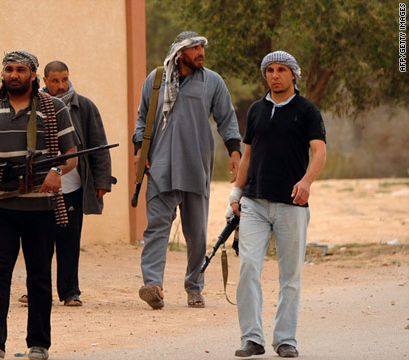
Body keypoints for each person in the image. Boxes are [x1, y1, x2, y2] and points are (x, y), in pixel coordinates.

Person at [0, 50, 79, 360]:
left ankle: (38, 344)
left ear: (33, 75)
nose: (14, 75)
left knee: (38, 276)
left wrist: (55, 171)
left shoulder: (54, 108)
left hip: (40, 209)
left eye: (21, 70)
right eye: (9, 69)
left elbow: (71, 155)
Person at [132, 31, 242, 310]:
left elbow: (226, 118)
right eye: (195, 49)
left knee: (196, 234)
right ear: (180, 53)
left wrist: (235, 152)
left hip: (195, 167)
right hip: (160, 166)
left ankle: (194, 286)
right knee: (156, 228)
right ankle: (153, 285)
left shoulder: (212, 81)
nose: (201, 53)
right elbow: (142, 118)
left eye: (202, 48)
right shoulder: (155, 80)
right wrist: (138, 151)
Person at [227, 51, 326, 358]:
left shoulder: (307, 111)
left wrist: (306, 181)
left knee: (290, 276)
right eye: (270, 70)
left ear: (293, 74)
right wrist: (236, 193)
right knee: (248, 268)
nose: (275, 75)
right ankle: (252, 338)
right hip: (254, 203)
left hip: (291, 205)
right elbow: (248, 154)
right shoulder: (256, 110)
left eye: (281, 69)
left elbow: (319, 151)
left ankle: (285, 340)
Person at [18, 61, 114, 307]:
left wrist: (102, 181)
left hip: (72, 187)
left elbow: (99, 145)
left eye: (64, 80)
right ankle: (37, 290)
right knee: (39, 243)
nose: (61, 86)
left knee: (69, 241)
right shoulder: (32, 107)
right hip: (40, 188)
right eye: (55, 81)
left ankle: (70, 291)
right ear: (44, 82)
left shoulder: (84, 107)